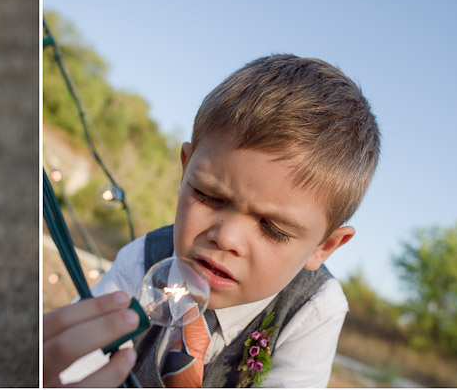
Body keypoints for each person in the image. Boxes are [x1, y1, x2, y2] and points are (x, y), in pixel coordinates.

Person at [45, 54, 381, 387]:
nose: (226, 237)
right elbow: (73, 365)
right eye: (209, 196)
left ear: (324, 246)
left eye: (273, 229)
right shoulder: (143, 260)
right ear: (185, 169)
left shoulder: (314, 308)